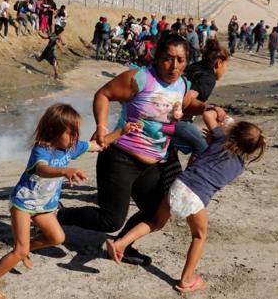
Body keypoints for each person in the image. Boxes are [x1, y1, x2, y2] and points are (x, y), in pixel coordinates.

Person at [57, 33, 227, 266]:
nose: (174, 66)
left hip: (152, 163)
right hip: (120, 157)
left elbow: (187, 105)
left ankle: (123, 246)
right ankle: (59, 215)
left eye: (180, 60)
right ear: (158, 58)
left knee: (156, 212)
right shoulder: (140, 78)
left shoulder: (182, 84)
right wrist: (102, 127)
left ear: (186, 62)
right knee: (110, 220)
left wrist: (208, 106)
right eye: (168, 59)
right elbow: (104, 95)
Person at [0, 103, 141, 299]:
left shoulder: (71, 148)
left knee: (57, 238)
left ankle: (25, 249)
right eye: (70, 133)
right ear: (52, 131)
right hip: (23, 203)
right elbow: (41, 169)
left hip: (44, 206)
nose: (74, 139)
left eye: (76, 133)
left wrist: (122, 132)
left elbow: (98, 145)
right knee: (20, 250)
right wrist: (65, 171)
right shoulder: (42, 149)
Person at [106, 111, 266, 293]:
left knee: (156, 222)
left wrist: (223, 118)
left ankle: (120, 243)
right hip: (196, 197)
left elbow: (207, 114)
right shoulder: (239, 166)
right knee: (199, 236)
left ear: (232, 132)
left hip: (179, 184)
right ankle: (186, 280)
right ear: (252, 150)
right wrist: (221, 135)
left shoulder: (220, 139)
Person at [172, 39, 230, 157]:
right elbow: (187, 98)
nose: (224, 70)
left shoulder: (194, 66)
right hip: (177, 119)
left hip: (163, 111)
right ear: (218, 63)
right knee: (204, 149)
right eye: (225, 66)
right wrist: (210, 108)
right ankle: (190, 176)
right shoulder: (208, 78)